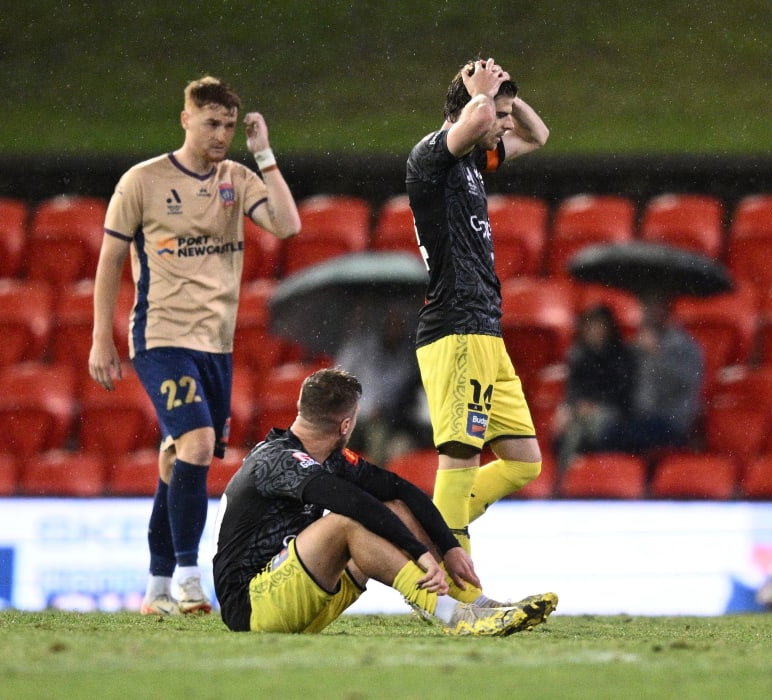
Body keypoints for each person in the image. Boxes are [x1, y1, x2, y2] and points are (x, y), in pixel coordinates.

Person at [89, 75, 301, 616]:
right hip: (161, 336)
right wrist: (101, 340)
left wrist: (264, 155)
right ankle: (188, 576)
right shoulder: (142, 181)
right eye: (211, 123)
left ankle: (156, 586)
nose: (221, 134)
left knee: (177, 460)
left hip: (216, 345)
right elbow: (110, 261)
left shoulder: (236, 177)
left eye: (229, 125)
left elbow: (287, 225)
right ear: (185, 119)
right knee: (200, 444)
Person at [212, 366, 558, 635]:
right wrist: (421, 554)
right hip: (252, 608)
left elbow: (398, 488)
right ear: (346, 423)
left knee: (394, 507)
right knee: (345, 523)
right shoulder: (277, 460)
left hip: (300, 593)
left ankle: (474, 603)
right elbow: (352, 504)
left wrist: (448, 546)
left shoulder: (328, 456)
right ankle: (452, 616)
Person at [405, 57, 550, 565]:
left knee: (523, 463)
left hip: (486, 330)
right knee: (461, 455)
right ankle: (458, 592)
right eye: (500, 114)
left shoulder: (472, 163)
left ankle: (433, 523)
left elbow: (539, 135)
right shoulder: (431, 157)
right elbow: (478, 123)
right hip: (456, 328)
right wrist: (483, 98)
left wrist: (503, 91)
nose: (507, 124)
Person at [597, 295, 705, 455]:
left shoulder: (685, 346)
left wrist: (656, 356)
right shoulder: (638, 344)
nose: (649, 313)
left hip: (671, 419)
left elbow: (678, 385)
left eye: (655, 307)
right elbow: (620, 382)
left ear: (666, 310)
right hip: (638, 417)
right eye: (646, 307)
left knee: (614, 436)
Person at [333, 305, 431, 465]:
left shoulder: (406, 359)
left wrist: (383, 410)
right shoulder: (360, 347)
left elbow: (402, 396)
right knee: (335, 438)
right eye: (392, 323)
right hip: (350, 413)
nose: (396, 328)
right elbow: (336, 380)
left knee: (379, 438)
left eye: (400, 324)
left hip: (382, 420)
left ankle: (376, 481)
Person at [552, 304, 637, 469]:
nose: (594, 331)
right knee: (568, 421)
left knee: (581, 426)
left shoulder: (622, 356)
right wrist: (571, 407)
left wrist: (594, 405)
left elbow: (622, 394)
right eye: (590, 326)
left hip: (614, 413)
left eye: (599, 326)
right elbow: (573, 390)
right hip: (582, 413)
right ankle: (571, 469)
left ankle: (564, 474)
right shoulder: (578, 355)